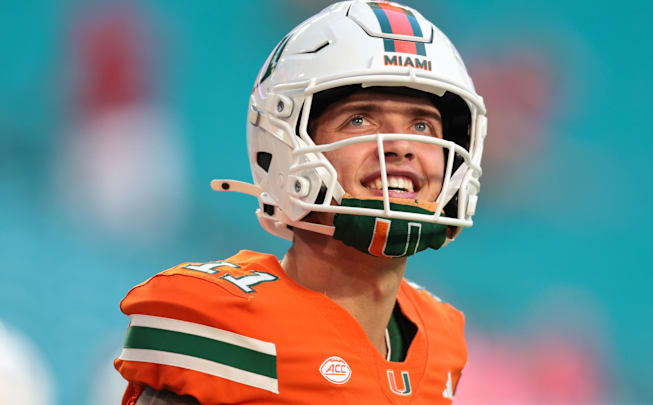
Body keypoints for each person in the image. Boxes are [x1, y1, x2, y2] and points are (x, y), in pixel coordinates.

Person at [114, 1, 487, 404]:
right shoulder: (220, 321)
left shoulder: (442, 338)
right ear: (286, 147)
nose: (400, 146)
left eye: (421, 125)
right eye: (360, 119)